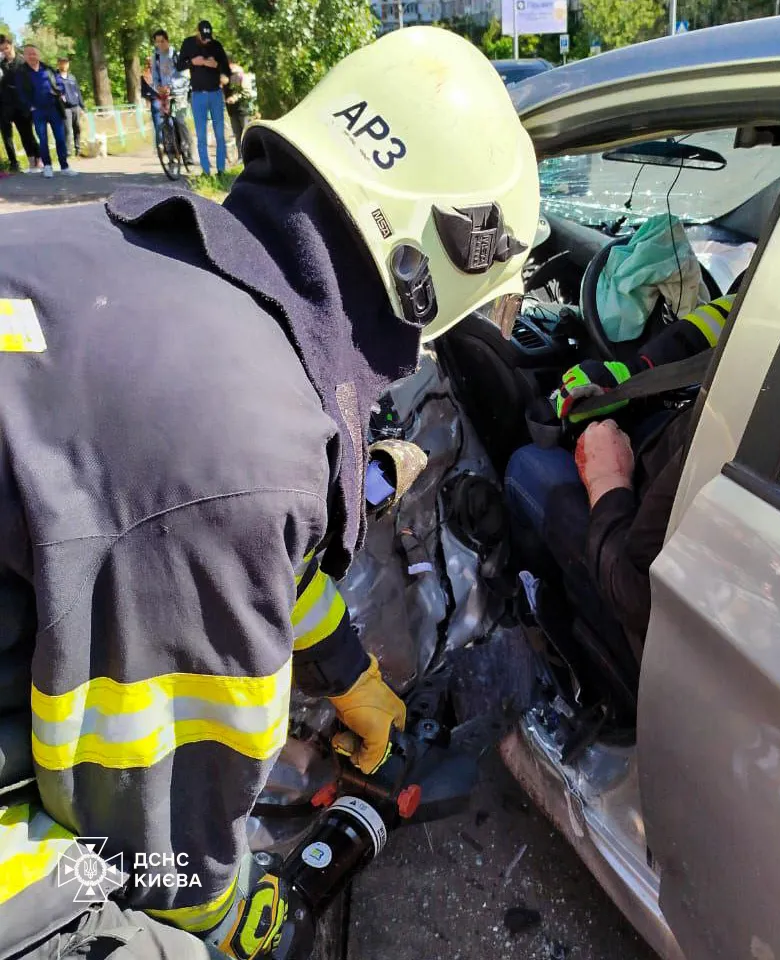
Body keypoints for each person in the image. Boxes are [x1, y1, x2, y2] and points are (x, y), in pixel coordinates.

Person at [0, 26, 537, 960]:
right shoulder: (247, 452)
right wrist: (235, 913)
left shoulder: (97, 238)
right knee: (162, 937)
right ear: (427, 278)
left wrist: (349, 674)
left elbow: (225, 553)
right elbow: (151, 834)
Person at [505, 296, 736, 661]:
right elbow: (737, 317)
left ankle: (536, 618)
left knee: (527, 465)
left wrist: (607, 482)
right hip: (663, 448)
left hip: (642, 626)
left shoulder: (733, 452)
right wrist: (634, 373)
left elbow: (635, 594)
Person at [15, 44, 76, 178]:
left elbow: (58, 83)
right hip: (38, 111)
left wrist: (60, 92)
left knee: (60, 138)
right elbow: (20, 92)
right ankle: (47, 166)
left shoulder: (48, 69)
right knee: (43, 139)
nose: (32, 56)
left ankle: (64, 166)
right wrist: (30, 106)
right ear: (24, 56)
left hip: (54, 108)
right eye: (29, 54)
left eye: (34, 53)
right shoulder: (21, 72)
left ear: (38, 55)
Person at [177, 19, 229, 175]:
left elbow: (227, 69)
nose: (206, 40)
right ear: (197, 32)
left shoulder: (216, 45)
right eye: (203, 37)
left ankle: (221, 170)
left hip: (215, 94)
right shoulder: (188, 43)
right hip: (198, 95)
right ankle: (206, 171)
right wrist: (192, 62)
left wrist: (216, 65)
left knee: (219, 134)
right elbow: (179, 65)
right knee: (201, 135)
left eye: (208, 37)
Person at [151, 28, 195, 165]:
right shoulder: (156, 57)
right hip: (164, 94)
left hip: (179, 93)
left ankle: (187, 153)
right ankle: (171, 153)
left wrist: (171, 86)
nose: (160, 45)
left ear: (167, 41)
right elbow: (155, 76)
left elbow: (184, 76)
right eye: (157, 42)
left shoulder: (176, 55)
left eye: (162, 41)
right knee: (165, 123)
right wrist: (158, 87)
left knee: (180, 121)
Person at [0, 35, 41, 172]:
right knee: (8, 136)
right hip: (5, 106)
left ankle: (37, 161)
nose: (4, 52)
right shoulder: (1, 64)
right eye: (1, 50)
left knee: (27, 134)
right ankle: (17, 164)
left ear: (11, 45)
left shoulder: (23, 62)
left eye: (6, 48)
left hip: (22, 105)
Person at [55, 56, 83, 158]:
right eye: (62, 63)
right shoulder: (55, 77)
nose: (64, 65)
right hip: (65, 108)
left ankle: (78, 148)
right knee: (67, 129)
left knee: (77, 128)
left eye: (66, 63)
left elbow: (78, 92)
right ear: (58, 64)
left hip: (75, 106)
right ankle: (68, 151)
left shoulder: (72, 77)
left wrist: (82, 106)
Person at [224, 61, 251, 152]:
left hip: (243, 110)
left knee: (246, 134)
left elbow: (247, 91)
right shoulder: (225, 77)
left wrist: (235, 97)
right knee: (237, 134)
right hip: (232, 111)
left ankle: (249, 154)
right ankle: (241, 155)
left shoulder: (241, 75)